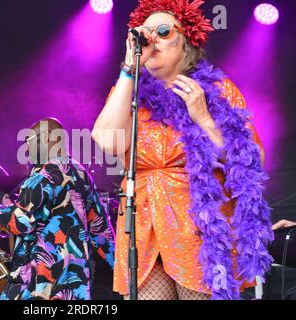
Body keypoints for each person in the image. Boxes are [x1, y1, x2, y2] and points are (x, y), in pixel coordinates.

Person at [92, 0, 273, 300]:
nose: (152, 40)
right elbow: (108, 142)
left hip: (199, 226)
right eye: (145, 34)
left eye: (162, 32)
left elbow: (253, 161)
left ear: (186, 40)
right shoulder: (127, 93)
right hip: (143, 224)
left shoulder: (218, 90)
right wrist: (128, 68)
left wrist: (203, 118)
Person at [0, 117, 115, 300]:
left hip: (41, 283)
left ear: (51, 138)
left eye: (30, 140)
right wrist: (123, 274)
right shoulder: (81, 174)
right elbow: (102, 233)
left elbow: (18, 222)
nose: (26, 148)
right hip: (75, 285)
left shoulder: (44, 174)